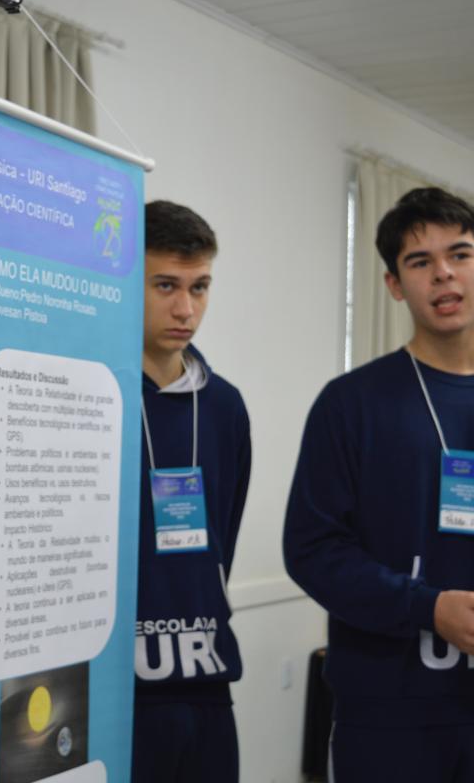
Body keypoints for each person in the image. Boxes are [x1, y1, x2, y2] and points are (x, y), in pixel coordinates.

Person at [284, 187, 474, 782]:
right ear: (394, 284)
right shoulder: (351, 404)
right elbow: (312, 550)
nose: (443, 273)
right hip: (390, 715)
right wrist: (427, 607)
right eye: (420, 262)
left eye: (460, 254)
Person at [132, 200, 252, 783]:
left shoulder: (225, 406)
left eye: (199, 287)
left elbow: (224, 534)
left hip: (207, 678)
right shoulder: (91, 392)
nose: (186, 309)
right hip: (119, 691)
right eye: (165, 286)